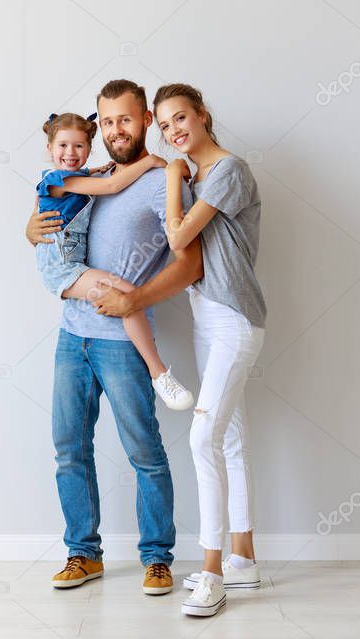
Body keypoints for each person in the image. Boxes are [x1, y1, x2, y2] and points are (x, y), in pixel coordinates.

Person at [25, 79, 202, 595]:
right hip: (71, 336)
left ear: (146, 120)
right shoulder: (90, 174)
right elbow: (52, 220)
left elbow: (190, 264)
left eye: (124, 119)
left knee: (145, 452)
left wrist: (137, 301)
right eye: (105, 122)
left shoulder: (165, 182)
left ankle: (157, 558)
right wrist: (29, 229)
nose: (113, 130)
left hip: (121, 342)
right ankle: (84, 554)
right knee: (69, 450)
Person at [150, 83, 268, 617]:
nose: (174, 131)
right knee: (232, 437)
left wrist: (173, 175)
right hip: (205, 319)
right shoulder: (203, 176)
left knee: (202, 437)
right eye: (164, 124)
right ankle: (243, 559)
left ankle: (213, 571)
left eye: (180, 118)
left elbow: (179, 239)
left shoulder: (228, 171)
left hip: (236, 322)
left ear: (203, 116)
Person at [34, 111, 193, 410]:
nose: (71, 153)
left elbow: (98, 180)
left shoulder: (83, 175)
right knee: (123, 292)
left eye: (79, 146)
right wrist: (150, 162)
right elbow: (110, 187)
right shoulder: (55, 180)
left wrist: (98, 169)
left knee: (126, 295)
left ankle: (158, 372)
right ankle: (158, 372)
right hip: (61, 268)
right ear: (49, 149)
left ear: (89, 149)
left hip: (73, 265)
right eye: (63, 146)